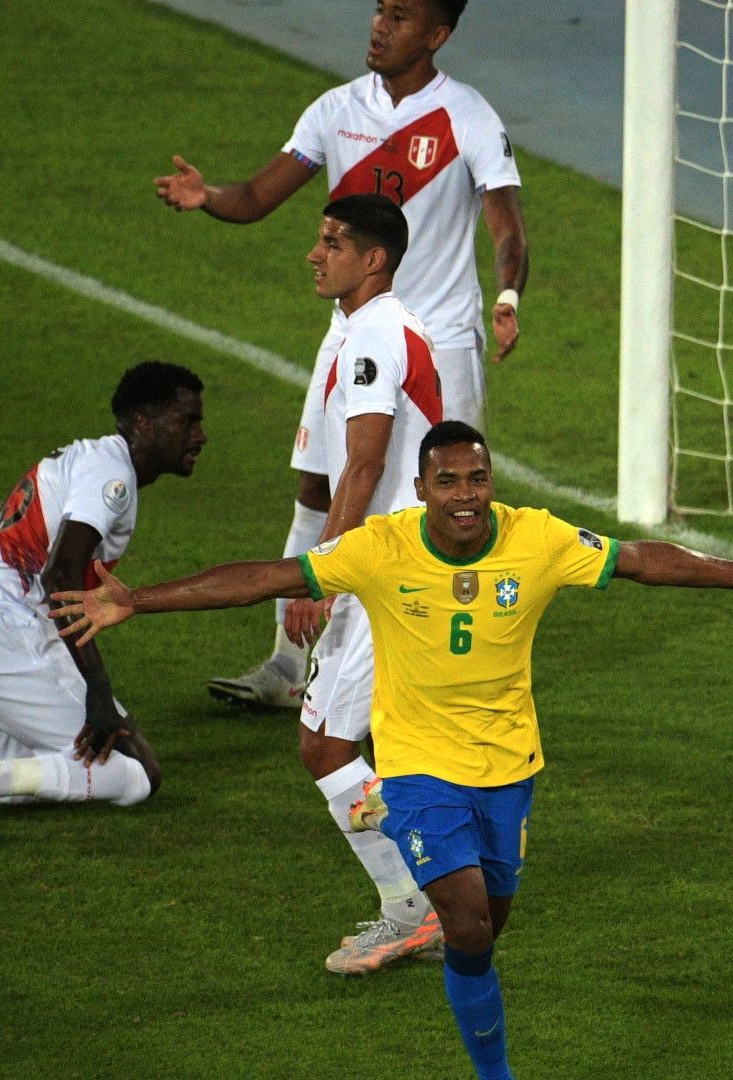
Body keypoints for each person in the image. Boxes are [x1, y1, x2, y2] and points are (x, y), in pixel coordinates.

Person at [49, 421, 733, 1080]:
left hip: (510, 769)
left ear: (491, 482)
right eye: (447, 481)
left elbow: (641, 560)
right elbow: (264, 578)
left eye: (476, 478)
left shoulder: (538, 540)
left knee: (490, 925)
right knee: (467, 923)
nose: (464, 494)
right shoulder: (381, 548)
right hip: (418, 771)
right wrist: (138, 598)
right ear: (421, 489)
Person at [155, 0, 528, 710]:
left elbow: (505, 218)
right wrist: (209, 197)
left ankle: (452, 667)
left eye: (401, 16)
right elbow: (261, 195)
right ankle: (291, 667)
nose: (380, 26)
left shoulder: (469, 117)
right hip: (351, 336)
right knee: (319, 488)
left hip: (436, 344)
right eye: (379, 10)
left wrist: (508, 294)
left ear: (438, 35)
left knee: (445, 504)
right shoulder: (335, 109)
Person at [0, 362, 208, 838]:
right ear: (144, 423)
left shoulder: (88, 459)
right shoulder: (111, 473)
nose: (200, 435)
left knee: (43, 772)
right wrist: (98, 690)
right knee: (137, 773)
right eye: (187, 421)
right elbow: (60, 571)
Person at [288, 192, 450, 974]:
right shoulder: (375, 330)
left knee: (326, 745)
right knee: (376, 744)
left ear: (373, 259)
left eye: (332, 242)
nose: (316, 254)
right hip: (400, 563)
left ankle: (414, 909)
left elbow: (363, 464)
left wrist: (320, 571)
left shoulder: (376, 336)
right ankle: (439, 882)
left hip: (385, 570)